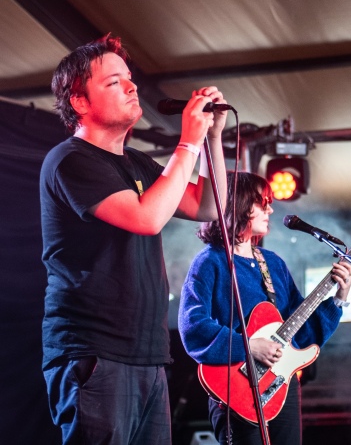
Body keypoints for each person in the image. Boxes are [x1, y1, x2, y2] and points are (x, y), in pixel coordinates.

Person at [39, 34, 229, 444]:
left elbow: (208, 208)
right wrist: (188, 141)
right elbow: (147, 218)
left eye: (129, 78)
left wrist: (212, 139)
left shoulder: (137, 161)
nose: (131, 86)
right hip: (94, 351)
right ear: (79, 102)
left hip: (147, 354)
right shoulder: (71, 160)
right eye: (113, 82)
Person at [178, 171, 351, 445]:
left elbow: (301, 335)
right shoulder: (209, 262)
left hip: (282, 387)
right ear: (239, 203)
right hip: (235, 390)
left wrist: (339, 298)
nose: (270, 208)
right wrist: (248, 346)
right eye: (263, 202)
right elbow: (193, 328)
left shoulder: (273, 264)